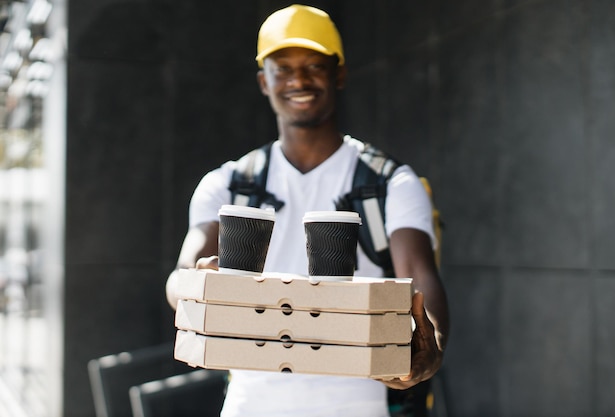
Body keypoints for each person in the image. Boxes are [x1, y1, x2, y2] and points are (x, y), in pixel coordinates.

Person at [166, 4, 449, 417]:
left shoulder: (390, 183)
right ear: (264, 82)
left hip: (359, 406)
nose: (298, 79)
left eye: (315, 66)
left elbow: (422, 278)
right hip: (251, 405)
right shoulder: (227, 184)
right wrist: (195, 286)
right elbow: (181, 275)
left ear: (340, 74)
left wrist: (431, 348)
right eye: (283, 68)